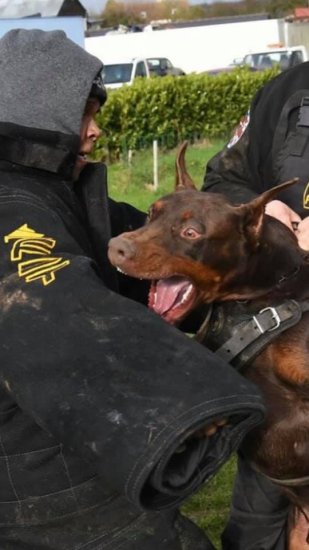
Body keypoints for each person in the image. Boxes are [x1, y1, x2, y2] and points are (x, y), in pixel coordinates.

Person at [0, 29, 266, 550]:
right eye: (84, 114)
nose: (96, 131)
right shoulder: (15, 211)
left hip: (63, 456)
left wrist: (275, 255)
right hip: (41, 485)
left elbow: (154, 248)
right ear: (38, 112)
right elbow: (56, 312)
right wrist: (186, 405)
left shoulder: (54, 192)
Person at [202, 60, 309, 549]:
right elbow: (222, 180)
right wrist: (259, 208)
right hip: (269, 366)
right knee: (253, 530)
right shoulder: (287, 90)